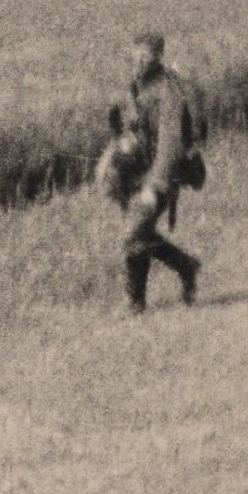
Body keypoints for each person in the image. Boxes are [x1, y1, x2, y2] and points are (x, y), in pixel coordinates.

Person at [109, 31, 203, 313]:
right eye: (135, 52)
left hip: (164, 173)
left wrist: (156, 185)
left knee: (134, 232)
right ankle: (186, 267)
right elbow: (132, 126)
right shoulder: (137, 86)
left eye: (145, 54)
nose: (138, 59)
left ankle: (135, 302)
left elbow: (170, 143)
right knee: (141, 231)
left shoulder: (169, 92)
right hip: (139, 170)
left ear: (158, 56)